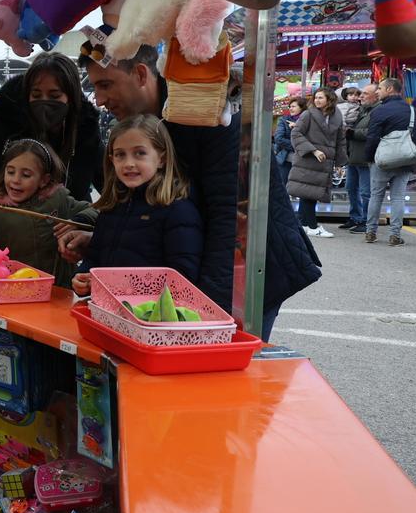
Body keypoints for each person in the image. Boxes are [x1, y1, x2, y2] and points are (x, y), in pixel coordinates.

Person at [70, 38, 320, 341]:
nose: (98, 99)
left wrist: (204, 314)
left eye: (106, 85)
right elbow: (148, 207)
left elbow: (228, 218)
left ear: (139, 74)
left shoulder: (205, 106)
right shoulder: (151, 121)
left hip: (247, 271)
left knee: (222, 377)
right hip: (200, 270)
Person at [0, 52, 103, 239]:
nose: (45, 102)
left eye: (55, 95)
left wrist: (86, 227)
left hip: (65, 244)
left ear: (71, 98)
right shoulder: (7, 123)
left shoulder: (85, 131)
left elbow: (110, 191)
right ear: (27, 95)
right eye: (36, 94)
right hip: (11, 238)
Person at [70, 115, 203, 297]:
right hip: (106, 311)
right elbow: (94, 258)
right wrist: (82, 277)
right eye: (120, 155)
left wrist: (115, 286)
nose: (129, 163)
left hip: (149, 318)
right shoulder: (112, 207)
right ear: (111, 159)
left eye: (140, 153)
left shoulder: (178, 210)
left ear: (162, 159)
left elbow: (182, 277)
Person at [0, 139, 97, 288]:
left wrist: (77, 222)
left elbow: (96, 211)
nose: (16, 180)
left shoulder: (59, 199)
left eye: (26, 175)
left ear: (44, 180)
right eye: (10, 172)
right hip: (14, 292)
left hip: (59, 290)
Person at [364, 78, 416, 246]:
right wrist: (406, 150)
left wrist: (370, 158)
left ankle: (370, 232)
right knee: (398, 198)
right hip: (405, 162)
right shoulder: (412, 110)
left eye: (380, 88)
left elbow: (372, 138)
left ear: (390, 89)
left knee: (376, 196)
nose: (377, 92)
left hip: (381, 161)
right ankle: (395, 235)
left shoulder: (379, 111)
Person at [286, 87, 346, 239]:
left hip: (324, 163)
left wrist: (340, 163)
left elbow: (340, 140)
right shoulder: (308, 114)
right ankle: (312, 226)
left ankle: (304, 225)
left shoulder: (337, 116)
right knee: (309, 194)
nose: (317, 100)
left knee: (310, 194)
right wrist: (313, 150)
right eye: (316, 97)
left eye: (321, 98)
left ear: (330, 99)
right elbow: (296, 133)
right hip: (308, 160)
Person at [343, 83, 379, 233]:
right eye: (360, 94)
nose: (360, 96)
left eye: (364, 93)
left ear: (375, 96)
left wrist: (351, 133)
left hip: (366, 157)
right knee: (351, 188)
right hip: (353, 156)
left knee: (366, 192)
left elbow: (373, 132)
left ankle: (366, 221)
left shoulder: (377, 111)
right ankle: (355, 217)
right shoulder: (361, 110)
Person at [274, 96, 306, 183]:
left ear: (302, 107)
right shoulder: (284, 120)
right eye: (290, 106)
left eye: (294, 106)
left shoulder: (307, 121)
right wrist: (297, 146)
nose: (291, 109)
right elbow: (278, 138)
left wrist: (297, 126)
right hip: (285, 158)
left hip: (303, 159)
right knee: (284, 184)